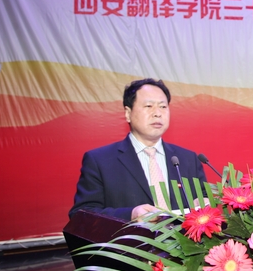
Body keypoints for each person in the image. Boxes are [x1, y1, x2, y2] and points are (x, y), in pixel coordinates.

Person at [68, 78, 207, 222]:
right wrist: (130, 215)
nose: (157, 113)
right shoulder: (100, 161)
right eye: (148, 106)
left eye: (163, 106)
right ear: (128, 113)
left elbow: (203, 199)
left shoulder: (188, 159)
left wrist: (205, 204)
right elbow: (80, 216)